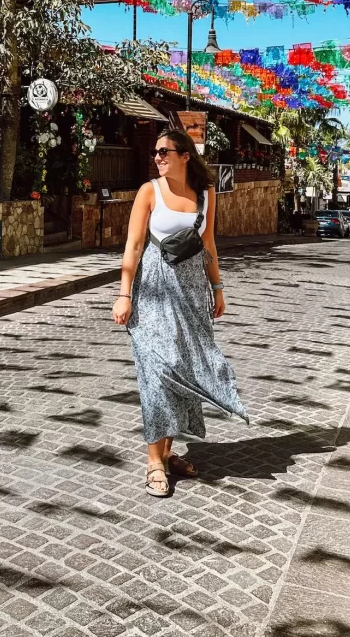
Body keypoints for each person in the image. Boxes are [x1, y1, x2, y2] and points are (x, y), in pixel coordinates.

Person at [112, 129, 249, 498]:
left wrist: (218, 288)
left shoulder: (206, 194)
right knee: (158, 371)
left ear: (185, 155)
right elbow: (134, 245)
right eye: (155, 152)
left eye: (164, 151)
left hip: (191, 293)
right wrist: (123, 294)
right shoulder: (149, 192)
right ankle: (153, 462)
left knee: (181, 369)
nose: (157, 157)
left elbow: (208, 244)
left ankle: (168, 452)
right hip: (153, 291)